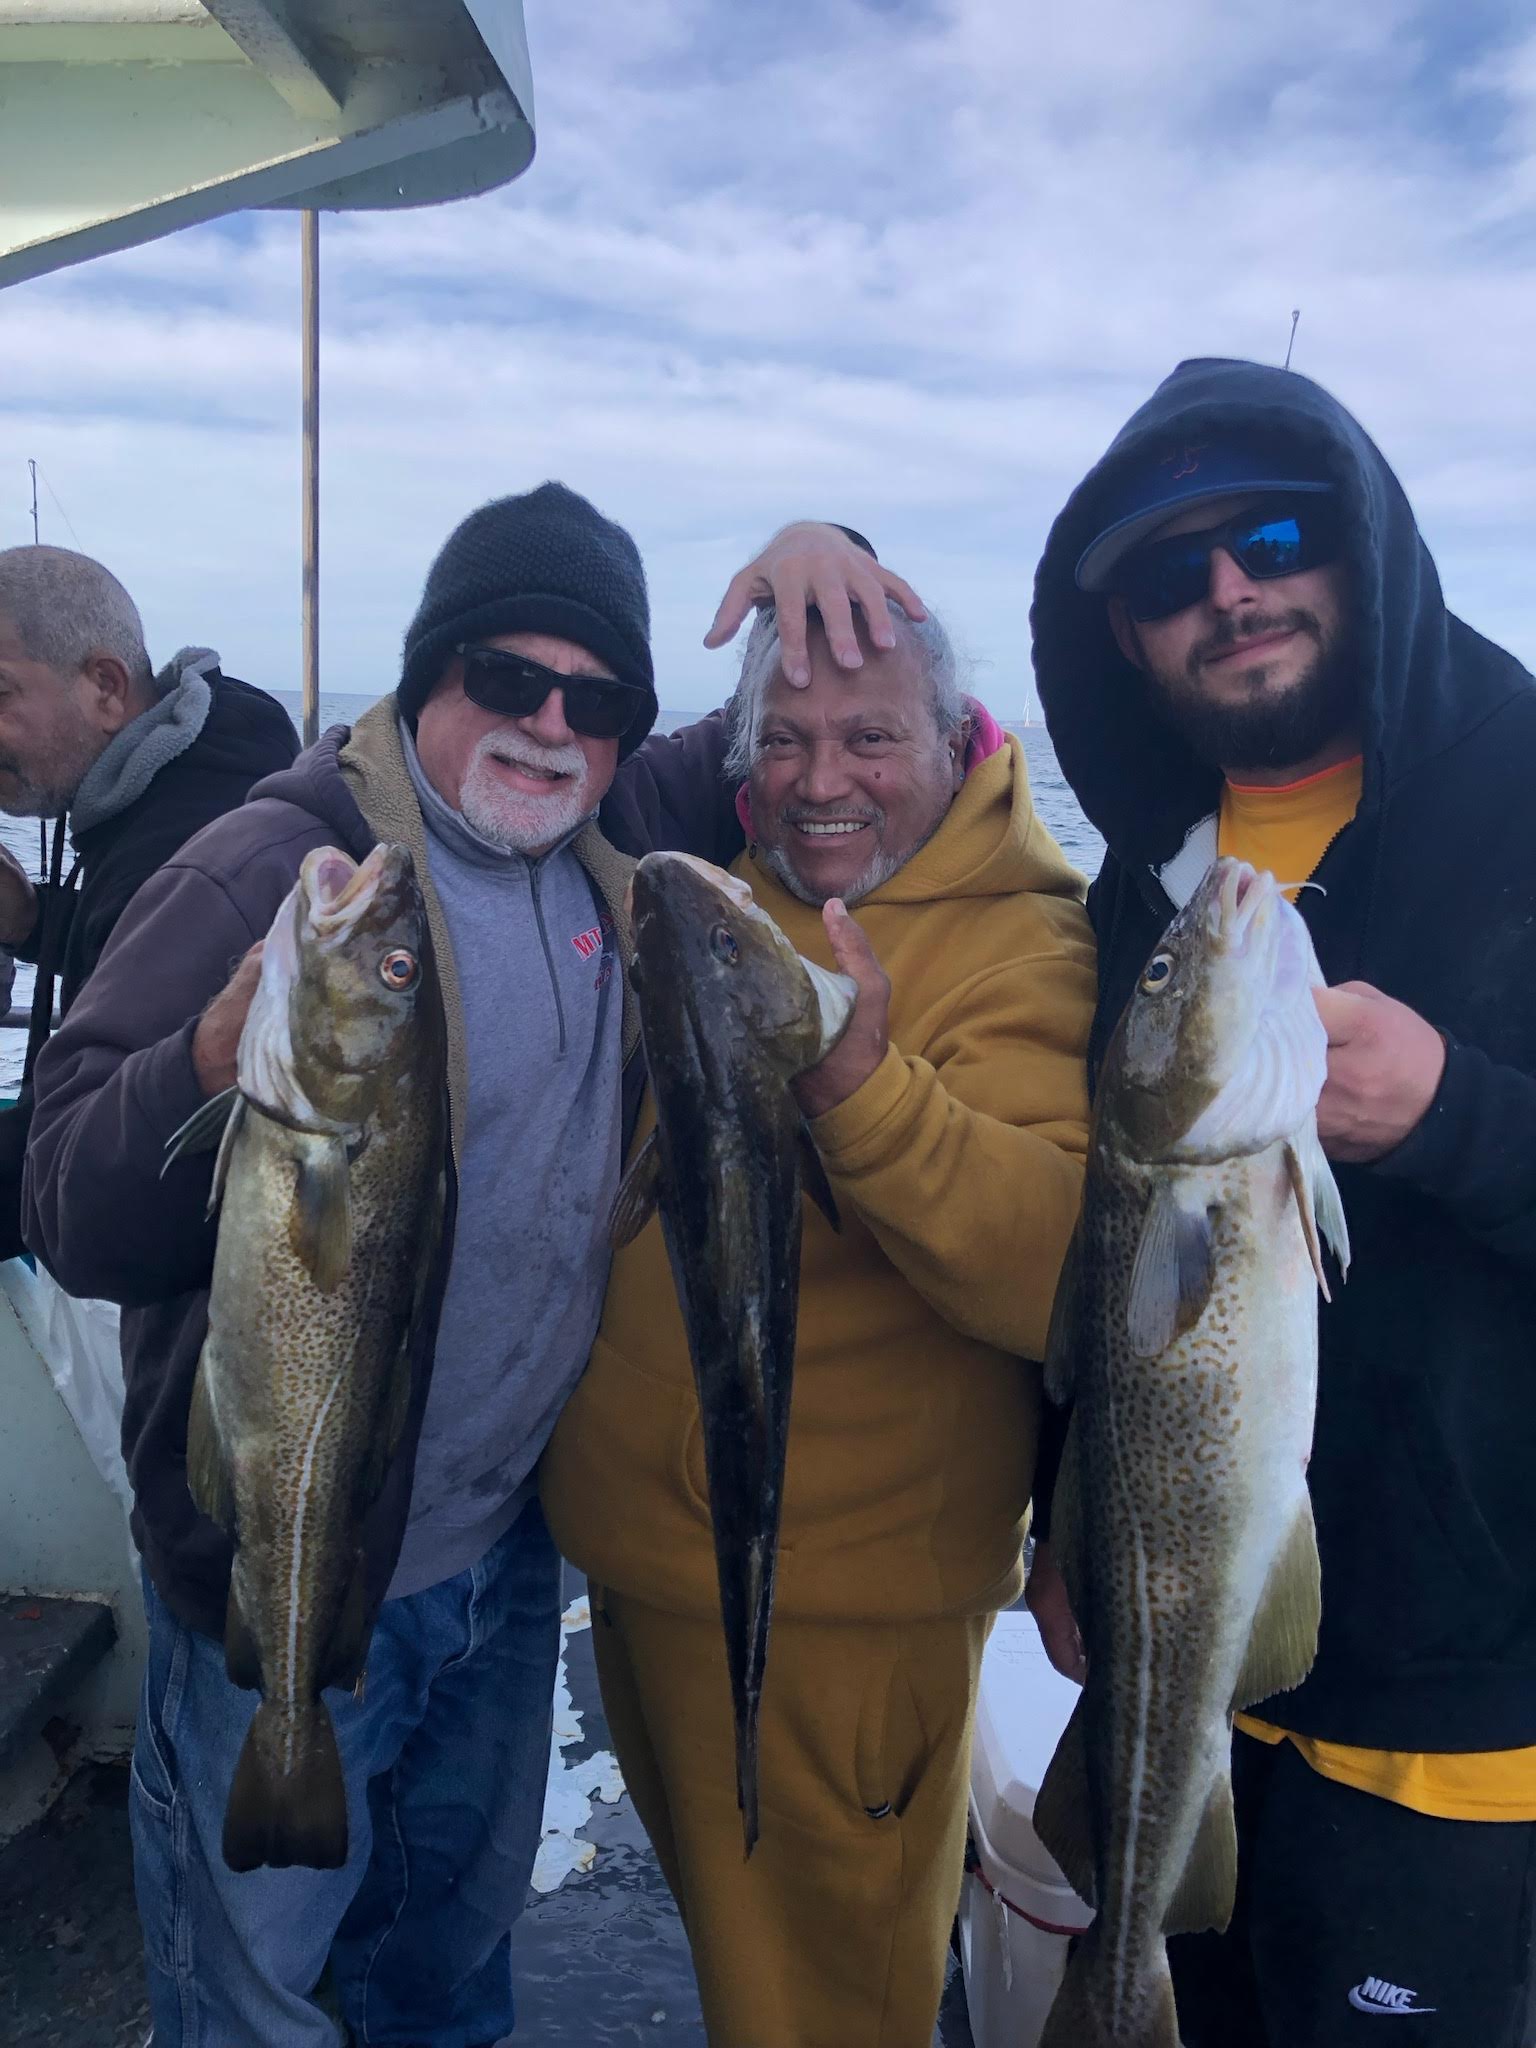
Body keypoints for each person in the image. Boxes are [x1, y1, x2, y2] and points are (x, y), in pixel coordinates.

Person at [22, 485, 912, 2047]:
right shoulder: (270, 872)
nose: (549, 725)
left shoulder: (615, 831)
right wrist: (210, 1057)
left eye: (597, 699)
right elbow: (68, 1204)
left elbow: (816, 738)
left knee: (443, 1986)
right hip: (277, 1580)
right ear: (430, 675)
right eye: (506, 679)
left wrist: (824, 550)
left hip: (504, 1569)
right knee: (254, 2008)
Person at [1026, 357, 1536, 2047]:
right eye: (1170, 577)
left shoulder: (1519, 782)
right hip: (1185, 1648)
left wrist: (1457, 1113)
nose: (1229, 593)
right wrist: (1062, 1513)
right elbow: (1109, 1247)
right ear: (1123, 636)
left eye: (1270, 536)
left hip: (1452, 1691)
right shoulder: (1142, 880)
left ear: (1359, 542)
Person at [540, 596, 1097, 2048]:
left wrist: (863, 1091)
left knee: (828, 2014)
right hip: (643, 1574)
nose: (818, 775)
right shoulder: (727, 878)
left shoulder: (1024, 942)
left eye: (867, 735)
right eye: (780, 738)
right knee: (744, 1984)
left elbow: (1058, 1268)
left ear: (958, 739)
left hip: (844, 1625)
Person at [0, 544, 296, 1258]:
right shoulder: (205, 751)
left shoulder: (177, 848)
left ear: (105, 687)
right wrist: (34, 921)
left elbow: (64, 1182)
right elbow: (137, 959)